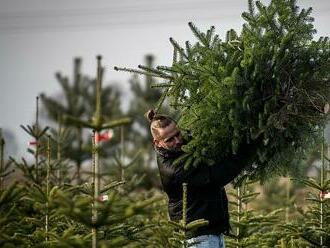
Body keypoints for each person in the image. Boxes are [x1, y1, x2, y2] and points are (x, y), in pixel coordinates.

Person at [145, 109, 252, 248]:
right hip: (198, 237)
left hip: (212, 230)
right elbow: (216, 177)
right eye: (170, 140)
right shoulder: (174, 169)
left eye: (178, 134)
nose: (177, 141)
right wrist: (248, 150)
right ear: (157, 143)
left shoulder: (184, 147)